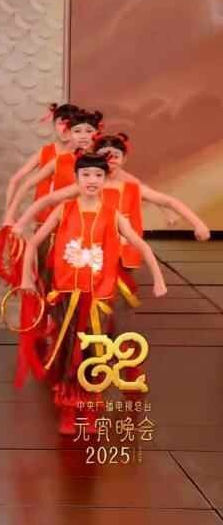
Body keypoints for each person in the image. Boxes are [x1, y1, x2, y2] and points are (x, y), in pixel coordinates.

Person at [18, 152, 167, 434]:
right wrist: (27, 276)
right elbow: (34, 242)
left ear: (104, 179)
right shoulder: (64, 210)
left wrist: (158, 279)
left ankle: (90, 408)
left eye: (98, 175)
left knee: (95, 353)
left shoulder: (112, 214)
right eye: (85, 174)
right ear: (76, 178)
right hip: (66, 295)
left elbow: (141, 245)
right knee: (68, 353)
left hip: (99, 297)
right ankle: (68, 409)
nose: (92, 180)